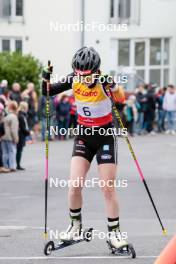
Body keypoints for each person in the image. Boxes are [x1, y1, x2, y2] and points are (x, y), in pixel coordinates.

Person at [42, 47, 129, 250]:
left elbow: (121, 99)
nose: (83, 79)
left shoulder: (104, 81)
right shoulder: (74, 78)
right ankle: (75, 226)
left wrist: (114, 87)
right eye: (79, 74)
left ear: (96, 71)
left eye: (87, 75)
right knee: (74, 185)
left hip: (105, 137)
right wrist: (45, 77)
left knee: (107, 188)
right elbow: (46, 91)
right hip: (83, 137)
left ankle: (115, 233)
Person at [1, 101, 19, 172]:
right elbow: (13, 129)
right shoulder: (13, 117)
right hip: (10, 137)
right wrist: (16, 138)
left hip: (3, 136)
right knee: (12, 152)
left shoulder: (5, 116)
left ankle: (5, 166)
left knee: (5, 152)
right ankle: (12, 166)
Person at [16, 102, 30, 170]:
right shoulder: (21, 116)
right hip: (20, 135)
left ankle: (17, 164)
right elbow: (23, 127)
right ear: (24, 108)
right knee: (19, 150)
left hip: (21, 134)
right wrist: (29, 133)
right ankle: (17, 164)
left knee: (19, 150)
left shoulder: (22, 115)